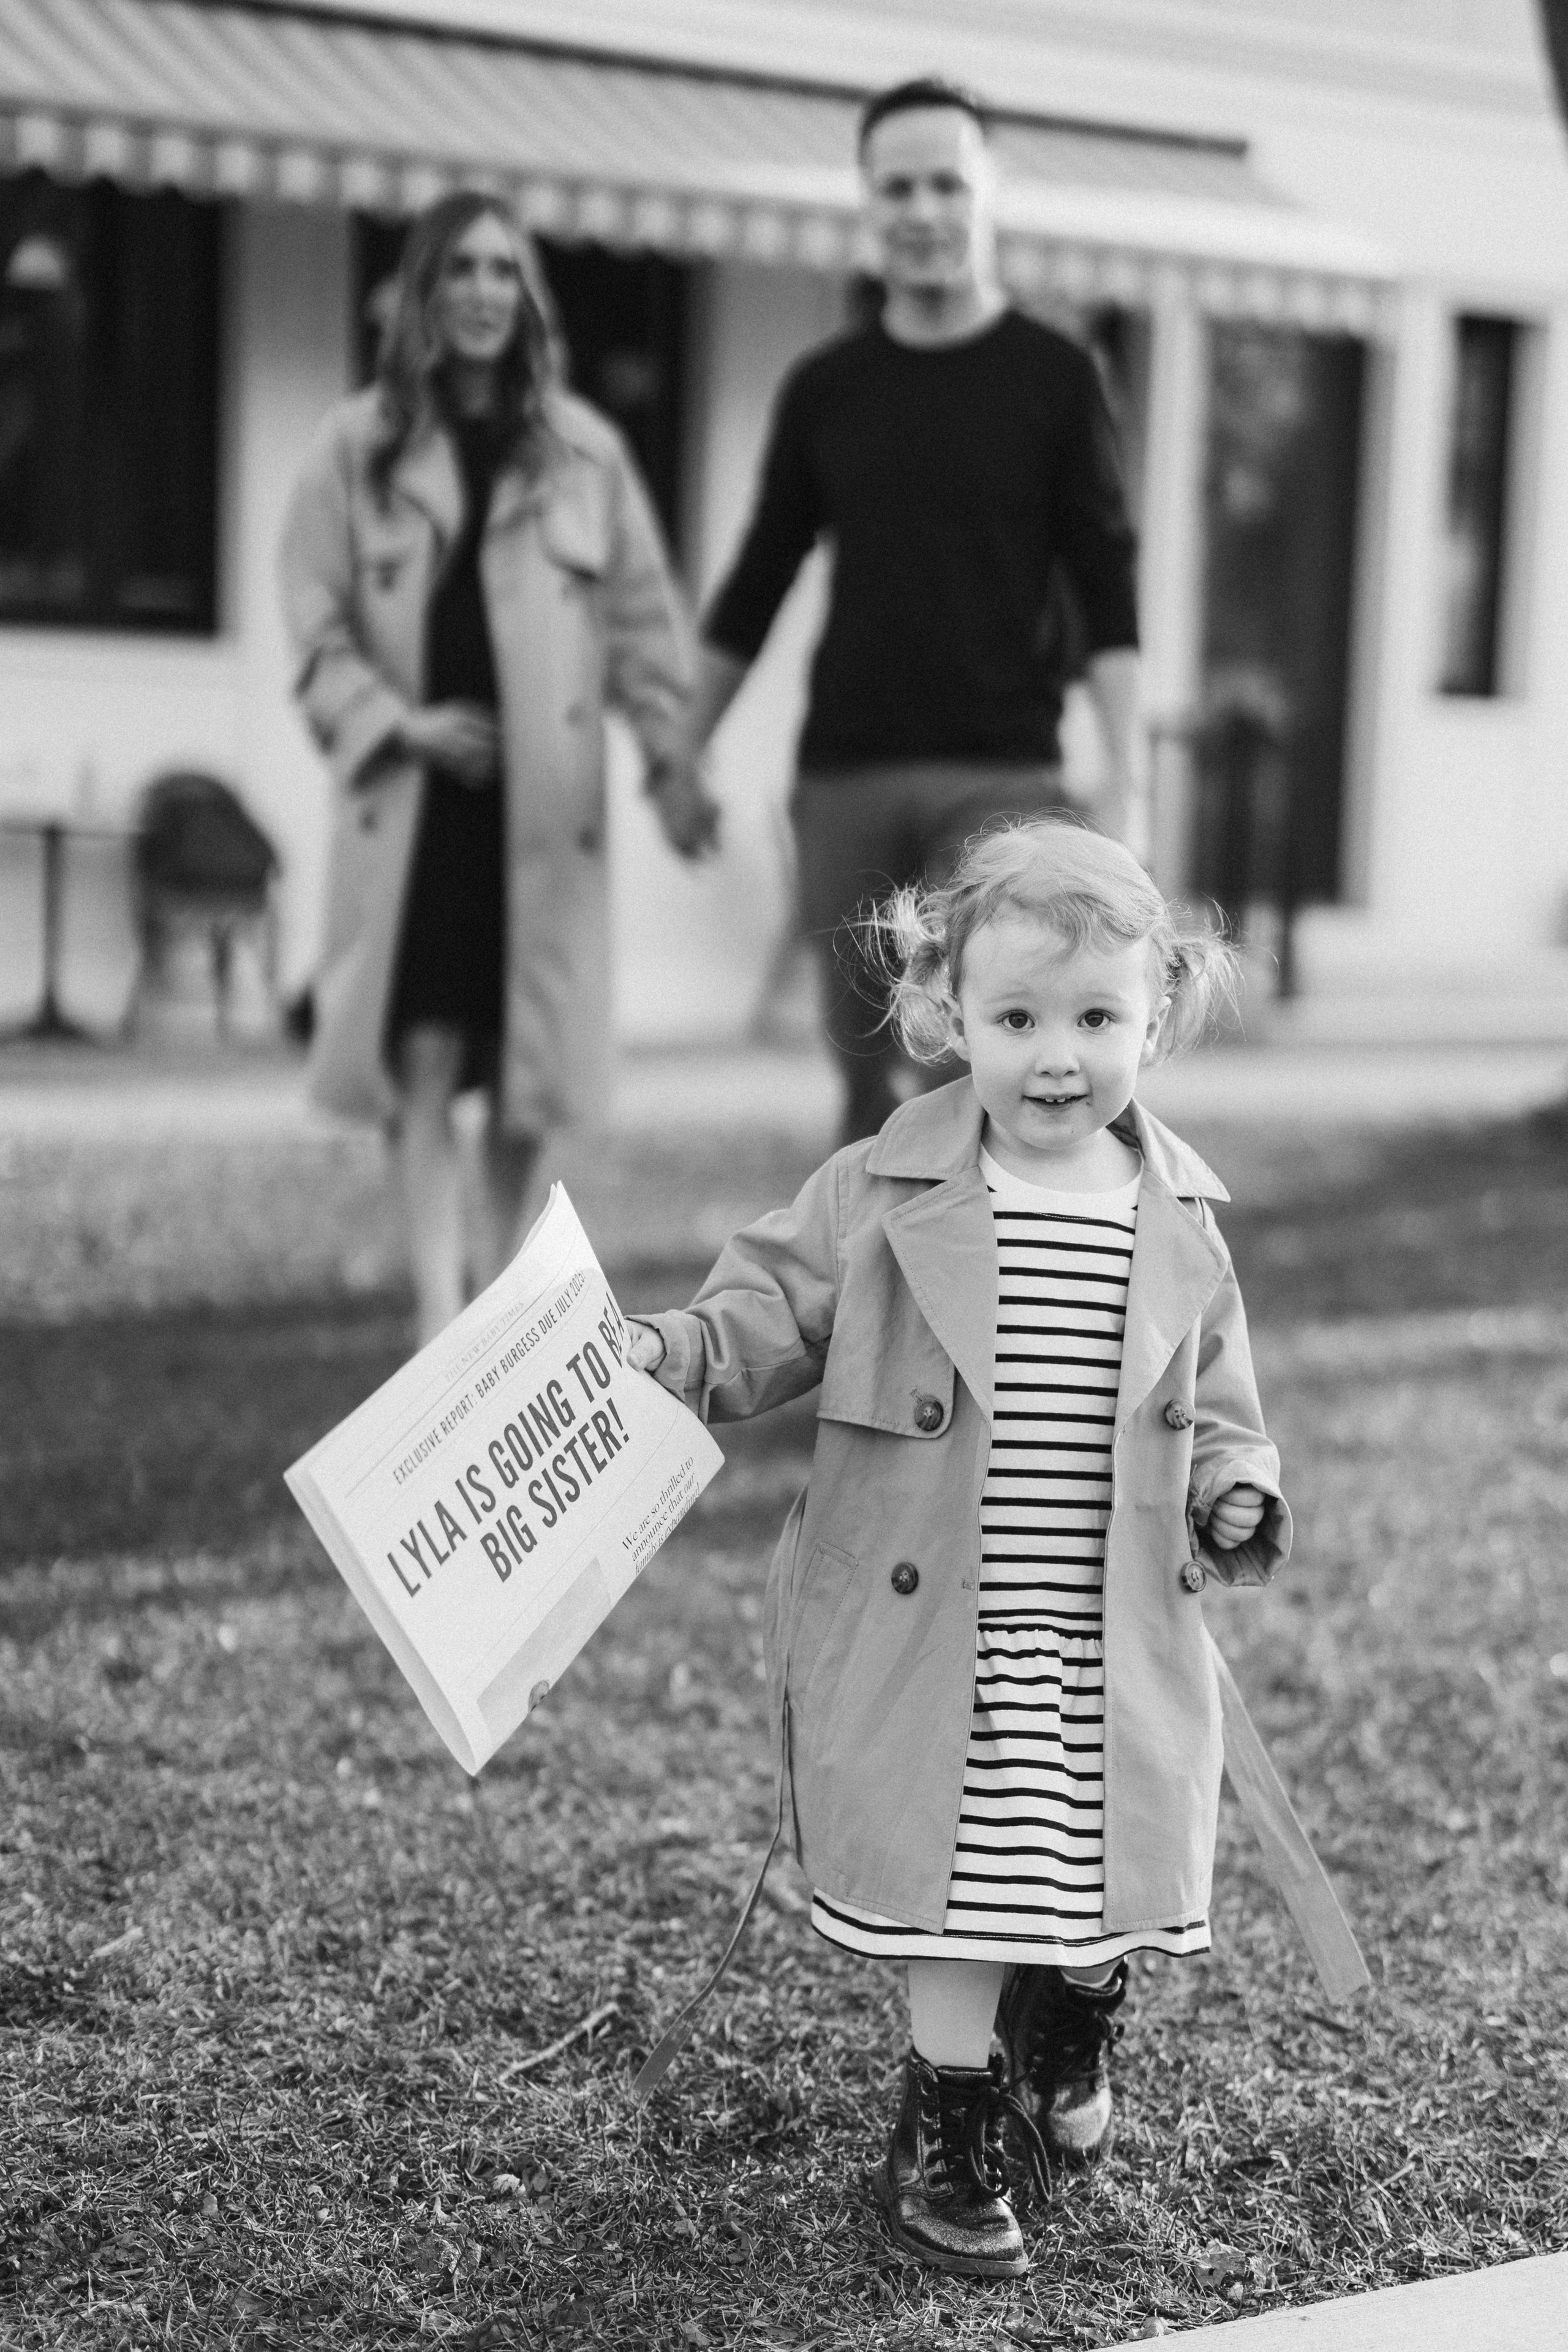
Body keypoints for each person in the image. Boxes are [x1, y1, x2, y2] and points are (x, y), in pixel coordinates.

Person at [628, 822, 1290, 2280]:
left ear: (1154, 1018)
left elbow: (1221, 1409)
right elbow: (769, 1313)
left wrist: (1235, 1490)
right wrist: (676, 1348)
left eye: (1095, 1020)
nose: (1057, 1057)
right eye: (1015, 1021)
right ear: (946, 1018)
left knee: (1090, 1867)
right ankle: (948, 2114)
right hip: (942, 1627)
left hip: (1102, 1630)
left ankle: (1067, 2028)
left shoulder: (1174, 1217)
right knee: (965, 1878)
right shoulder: (881, 1188)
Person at [279, 193, 715, 1346]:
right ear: (424, 292)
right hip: (417, 810)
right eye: (460, 269)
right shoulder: (355, 448)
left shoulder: (586, 455)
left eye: (503, 271)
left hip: (544, 809)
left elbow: (643, 637)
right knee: (420, 1051)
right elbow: (314, 628)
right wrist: (402, 725)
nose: (483, 290)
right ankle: (436, 1318)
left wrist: (674, 760)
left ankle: (490, 1296)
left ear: (527, 298)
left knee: (529, 1076)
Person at [692, 77, 1142, 1143]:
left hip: (1001, 773)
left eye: (948, 183)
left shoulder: (1056, 377)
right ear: (868, 203)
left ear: (991, 193)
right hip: (845, 772)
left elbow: (1106, 577)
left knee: (967, 1057)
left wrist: (1133, 773)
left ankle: (984, 1299)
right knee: (865, 1085)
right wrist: (681, 750)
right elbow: (759, 575)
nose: (924, 211)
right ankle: (878, 1297)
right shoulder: (825, 389)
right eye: (899, 188)